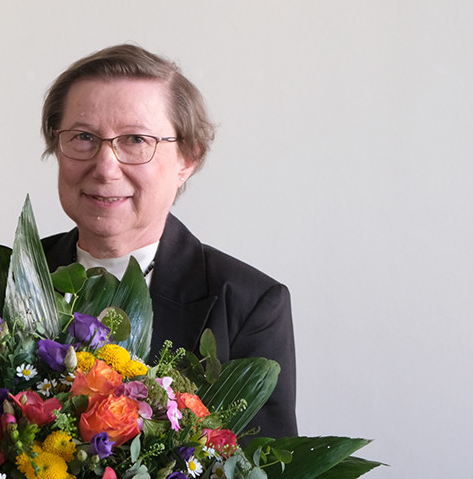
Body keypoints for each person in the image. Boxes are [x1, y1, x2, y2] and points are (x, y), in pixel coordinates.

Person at [39, 44, 297, 438]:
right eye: (84, 137)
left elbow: (267, 461)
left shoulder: (248, 305)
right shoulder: (6, 279)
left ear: (188, 159)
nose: (105, 167)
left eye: (136, 140)